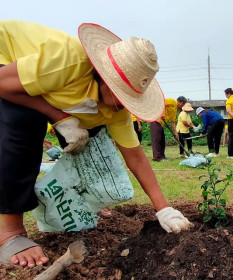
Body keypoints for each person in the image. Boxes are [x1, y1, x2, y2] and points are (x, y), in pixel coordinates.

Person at [0, 20, 192, 268]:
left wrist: (163, 208)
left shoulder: (116, 109)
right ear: (102, 76)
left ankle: (88, 201)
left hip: (47, 88)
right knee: (24, 123)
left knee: (93, 133)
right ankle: (10, 231)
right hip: (8, 66)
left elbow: (135, 157)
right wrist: (60, 118)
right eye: (121, 95)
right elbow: (3, 85)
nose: (125, 104)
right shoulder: (67, 62)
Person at [150, 96, 187, 161]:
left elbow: (172, 122)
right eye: (183, 104)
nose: (183, 106)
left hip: (162, 124)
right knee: (157, 140)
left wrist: (175, 132)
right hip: (156, 120)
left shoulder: (175, 110)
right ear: (181, 102)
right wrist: (161, 114)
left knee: (162, 140)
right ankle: (157, 157)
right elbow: (160, 104)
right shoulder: (172, 101)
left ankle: (162, 156)